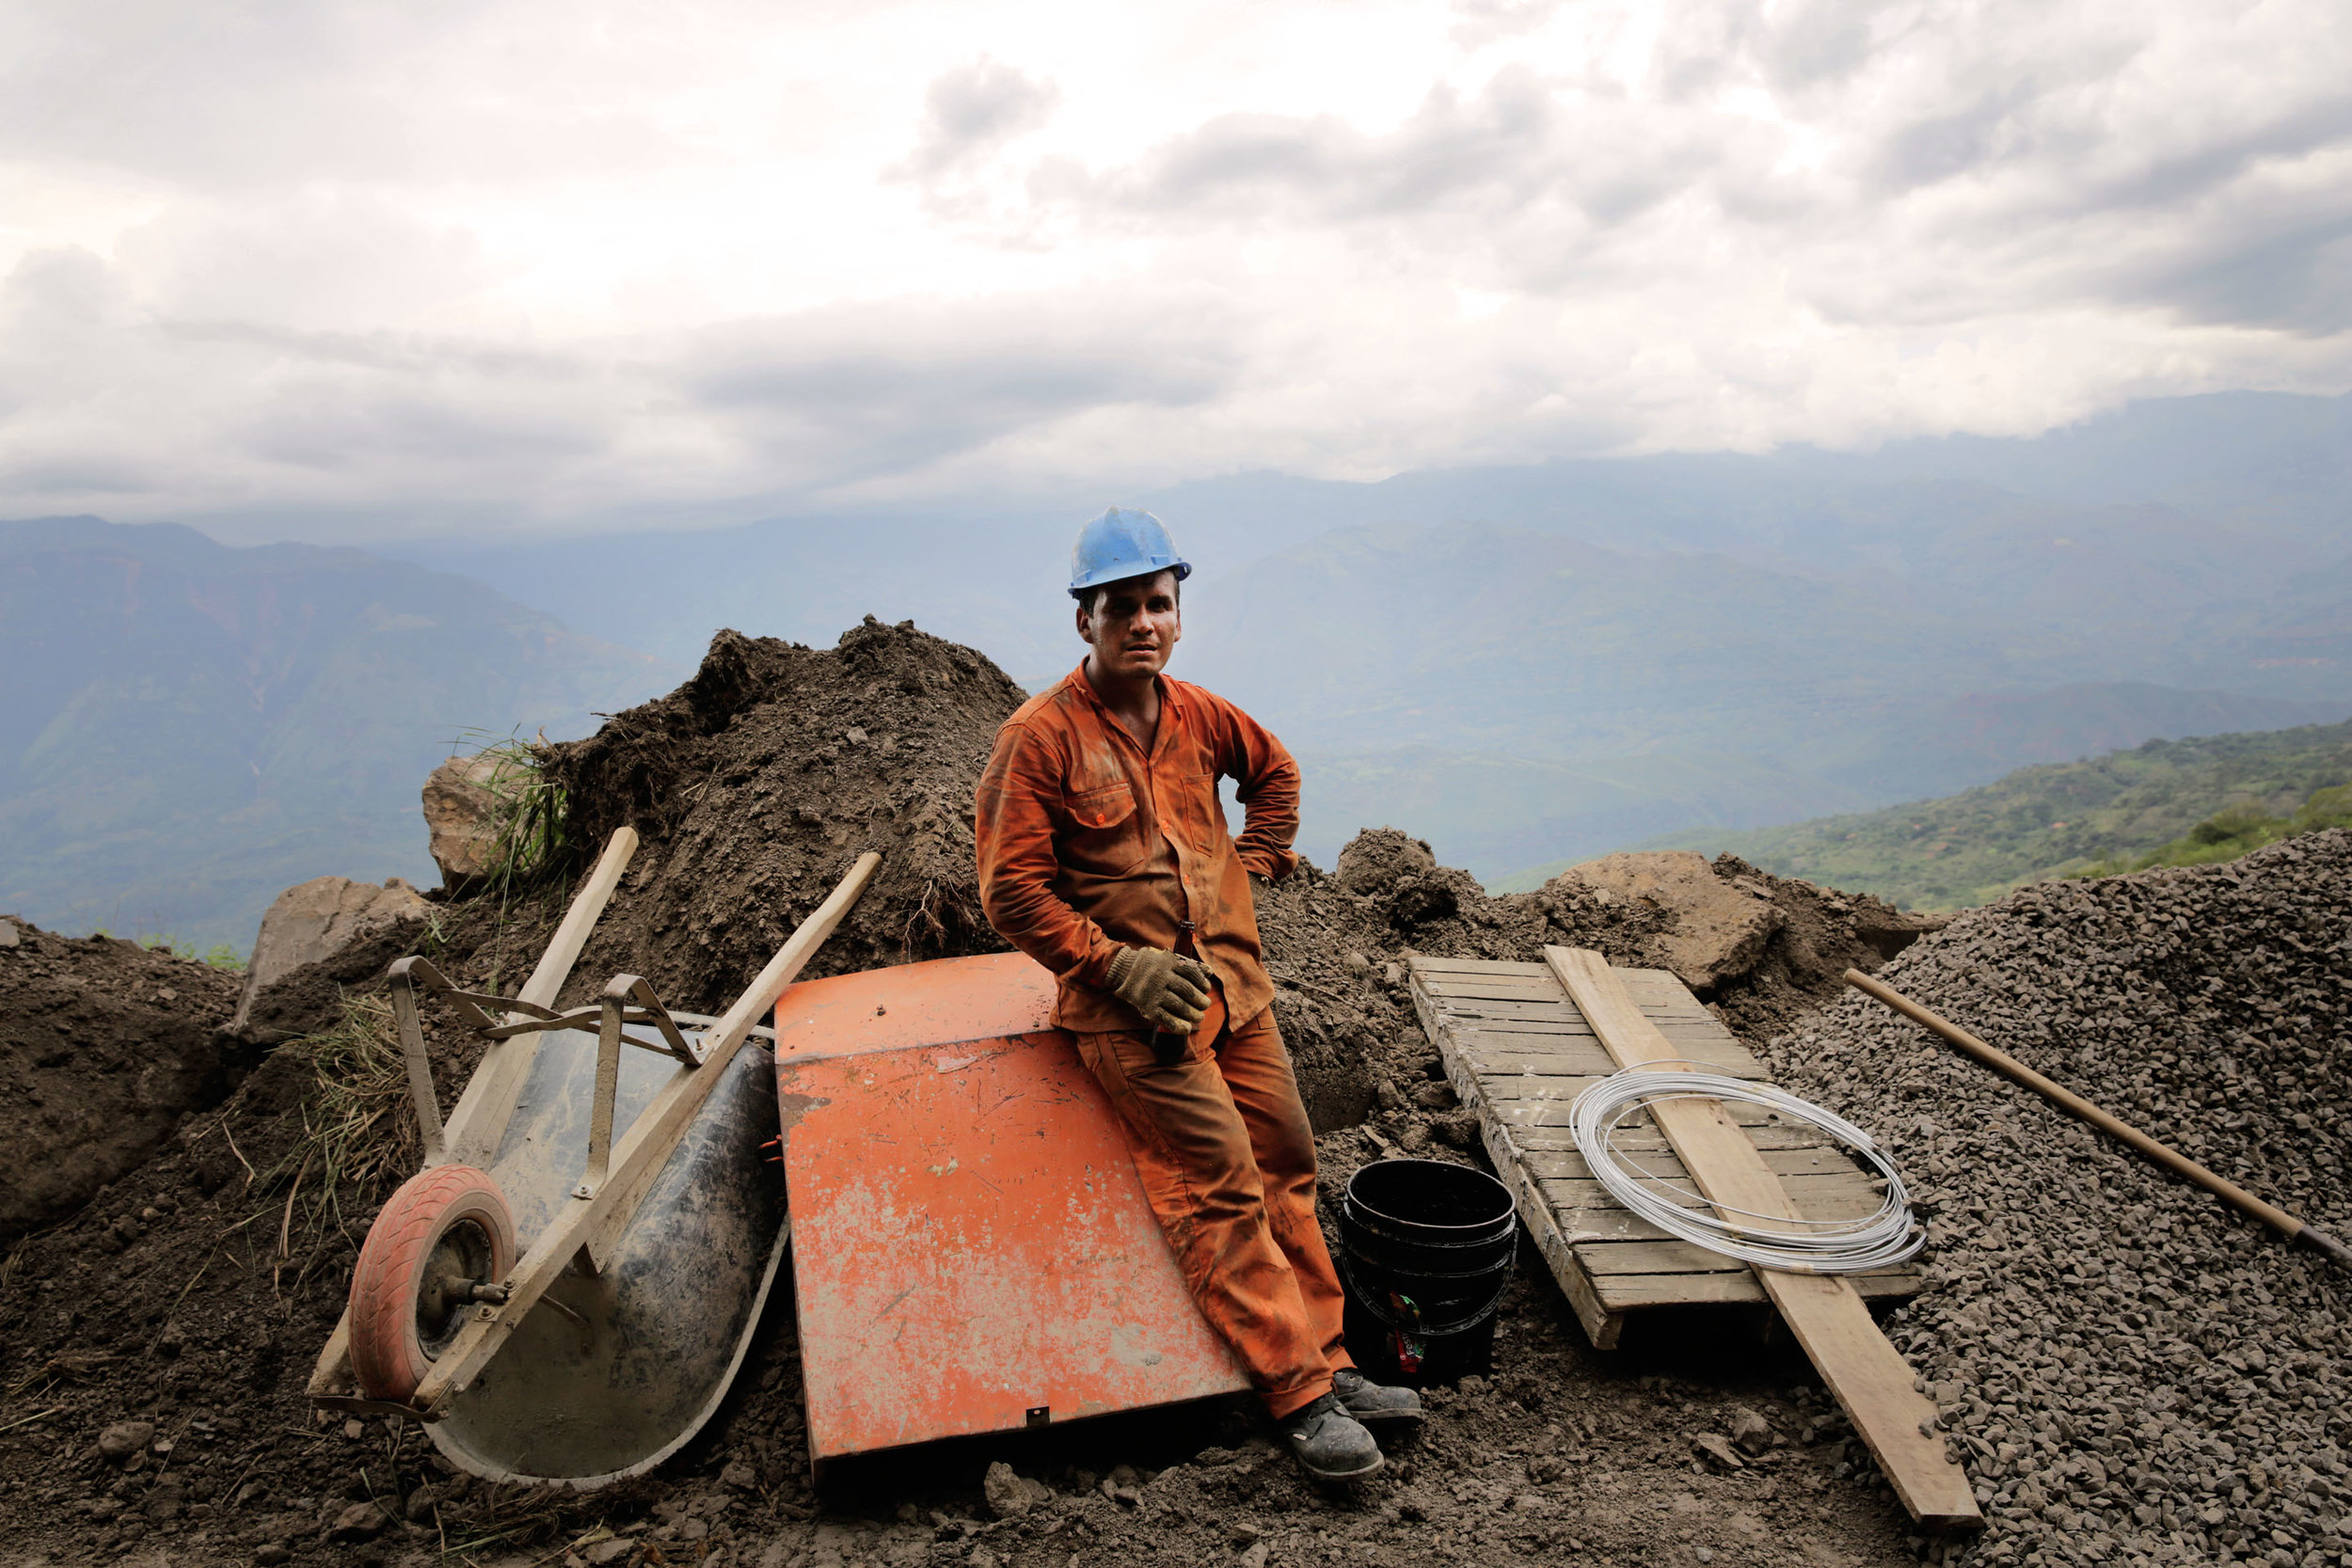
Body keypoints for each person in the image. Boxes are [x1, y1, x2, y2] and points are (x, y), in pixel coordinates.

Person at [973, 507, 1422, 1481]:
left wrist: (1250, 863)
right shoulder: (1038, 739)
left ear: (1177, 613)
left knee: (1287, 1162)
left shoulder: (1201, 714)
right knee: (1217, 1179)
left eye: (1159, 603)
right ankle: (1296, 1396)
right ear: (1083, 620)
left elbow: (1276, 773)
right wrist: (1111, 962)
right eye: (1122, 605)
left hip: (1233, 990)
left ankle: (1331, 1360)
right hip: (1136, 1017)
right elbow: (1009, 889)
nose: (1143, 621)